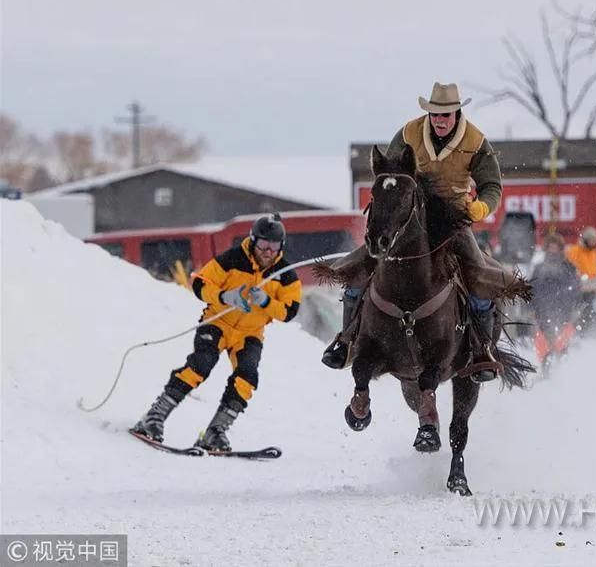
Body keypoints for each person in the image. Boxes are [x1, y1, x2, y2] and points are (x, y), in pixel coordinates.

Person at [321, 82, 511, 379]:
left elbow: (492, 187)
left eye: (445, 114)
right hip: (409, 220)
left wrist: (481, 208)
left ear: (456, 113)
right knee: (357, 268)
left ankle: (481, 350)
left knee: (478, 274)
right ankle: (346, 342)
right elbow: (389, 169)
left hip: (451, 220)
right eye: (434, 114)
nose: (439, 120)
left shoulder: (475, 141)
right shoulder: (409, 133)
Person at [130, 214, 302, 451]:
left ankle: (215, 431)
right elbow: (200, 284)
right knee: (201, 365)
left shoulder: (285, 275)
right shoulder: (232, 259)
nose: (268, 252)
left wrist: (266, 302)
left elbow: (289, 311)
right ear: (253, 241)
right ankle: (153, 417)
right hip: (217, 323)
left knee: (247, 377)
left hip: (249, 334)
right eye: (263, 245)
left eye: (274, 247)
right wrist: (224, 297)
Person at [531, 233, 581, 365]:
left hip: (563, 310)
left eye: (555, 247)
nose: (552, 250)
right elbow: (532, 288)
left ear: (560, 249)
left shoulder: (569, 267)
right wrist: (533, 305)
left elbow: (575, 288)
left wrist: (566, 300)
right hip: (542, 311)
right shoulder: (539, 268)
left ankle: (562, 366)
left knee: (561, 342)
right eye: (550, 247)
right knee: (544, 343)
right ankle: (545, 367)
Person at [564, 225, 596, 332]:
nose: (593, 242)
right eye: (591, 239)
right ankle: (577, 329)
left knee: (592, 308)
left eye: (594, 240)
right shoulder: (575, 250)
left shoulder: (594, 252)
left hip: (591, 286)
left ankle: (587, 329)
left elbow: (594, 271)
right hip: (578, 286)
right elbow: (571, 268)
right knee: (578, 310)